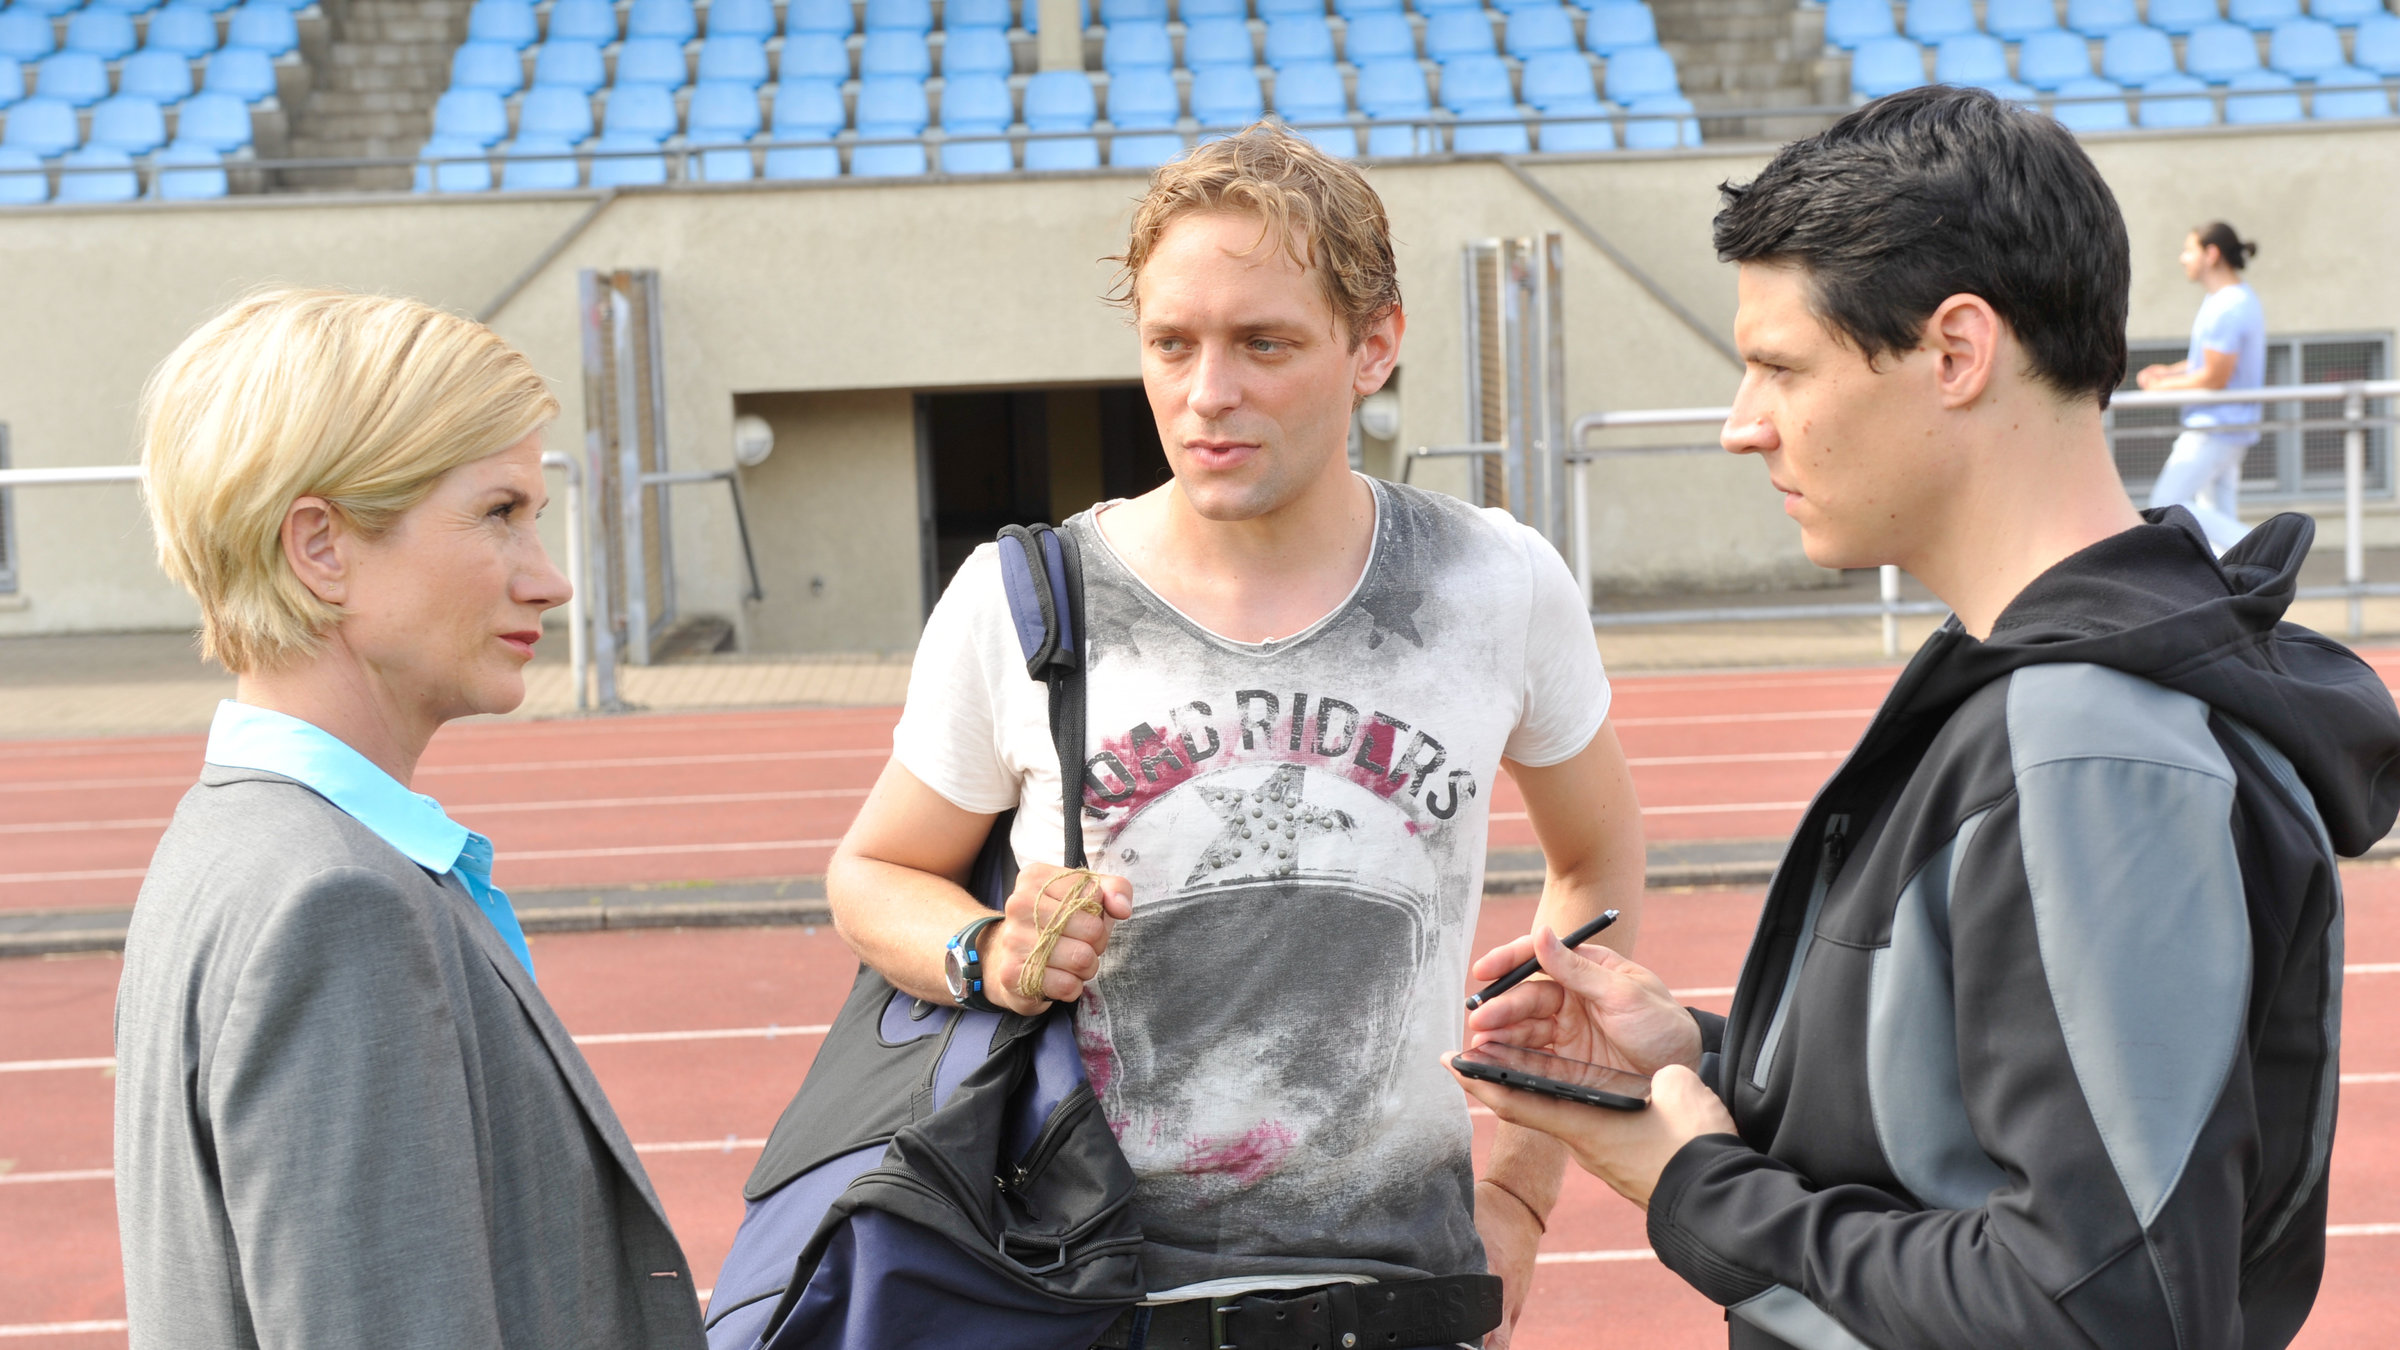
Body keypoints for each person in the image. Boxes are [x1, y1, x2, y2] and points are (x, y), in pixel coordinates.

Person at [1450, 87, 2400, 1350]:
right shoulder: (2047, 693)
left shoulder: (2092, 743)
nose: (1745, 425)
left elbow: (2100, 1313)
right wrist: (1709, 1060)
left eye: (1782, 366)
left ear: (1957, 352)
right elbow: (1975, 1131)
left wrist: (1698, 1189)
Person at [824, 125, 1644, 1350]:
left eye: (1264, 343)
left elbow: (1597, 865)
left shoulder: (1494, 581)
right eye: (1173, 344)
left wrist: (1520, 1187)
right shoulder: (1029, 600)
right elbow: (871, 873)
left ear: (1375, 345)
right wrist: (987, 948)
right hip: (1093, 1284)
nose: (1209, 393)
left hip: (1402, 1288)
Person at [116, 289, 708, 1350]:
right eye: (499, 513)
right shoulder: (336, 906)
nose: (552, 576)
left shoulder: (231, 844)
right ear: (322, 549)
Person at [2136, 221, 2267, 553]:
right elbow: (2209, 363)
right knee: (2218, 518)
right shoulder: (2229, 300)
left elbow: (2214, 377)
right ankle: (2237, 589)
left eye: (2188, 250)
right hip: (2227, 426)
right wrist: (2169, 372)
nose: (2182, 258)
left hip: (2215, 427)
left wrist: (2161, 389)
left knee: (2167, 505)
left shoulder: (2228, 306)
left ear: (2211, 254)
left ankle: (2259, 549)